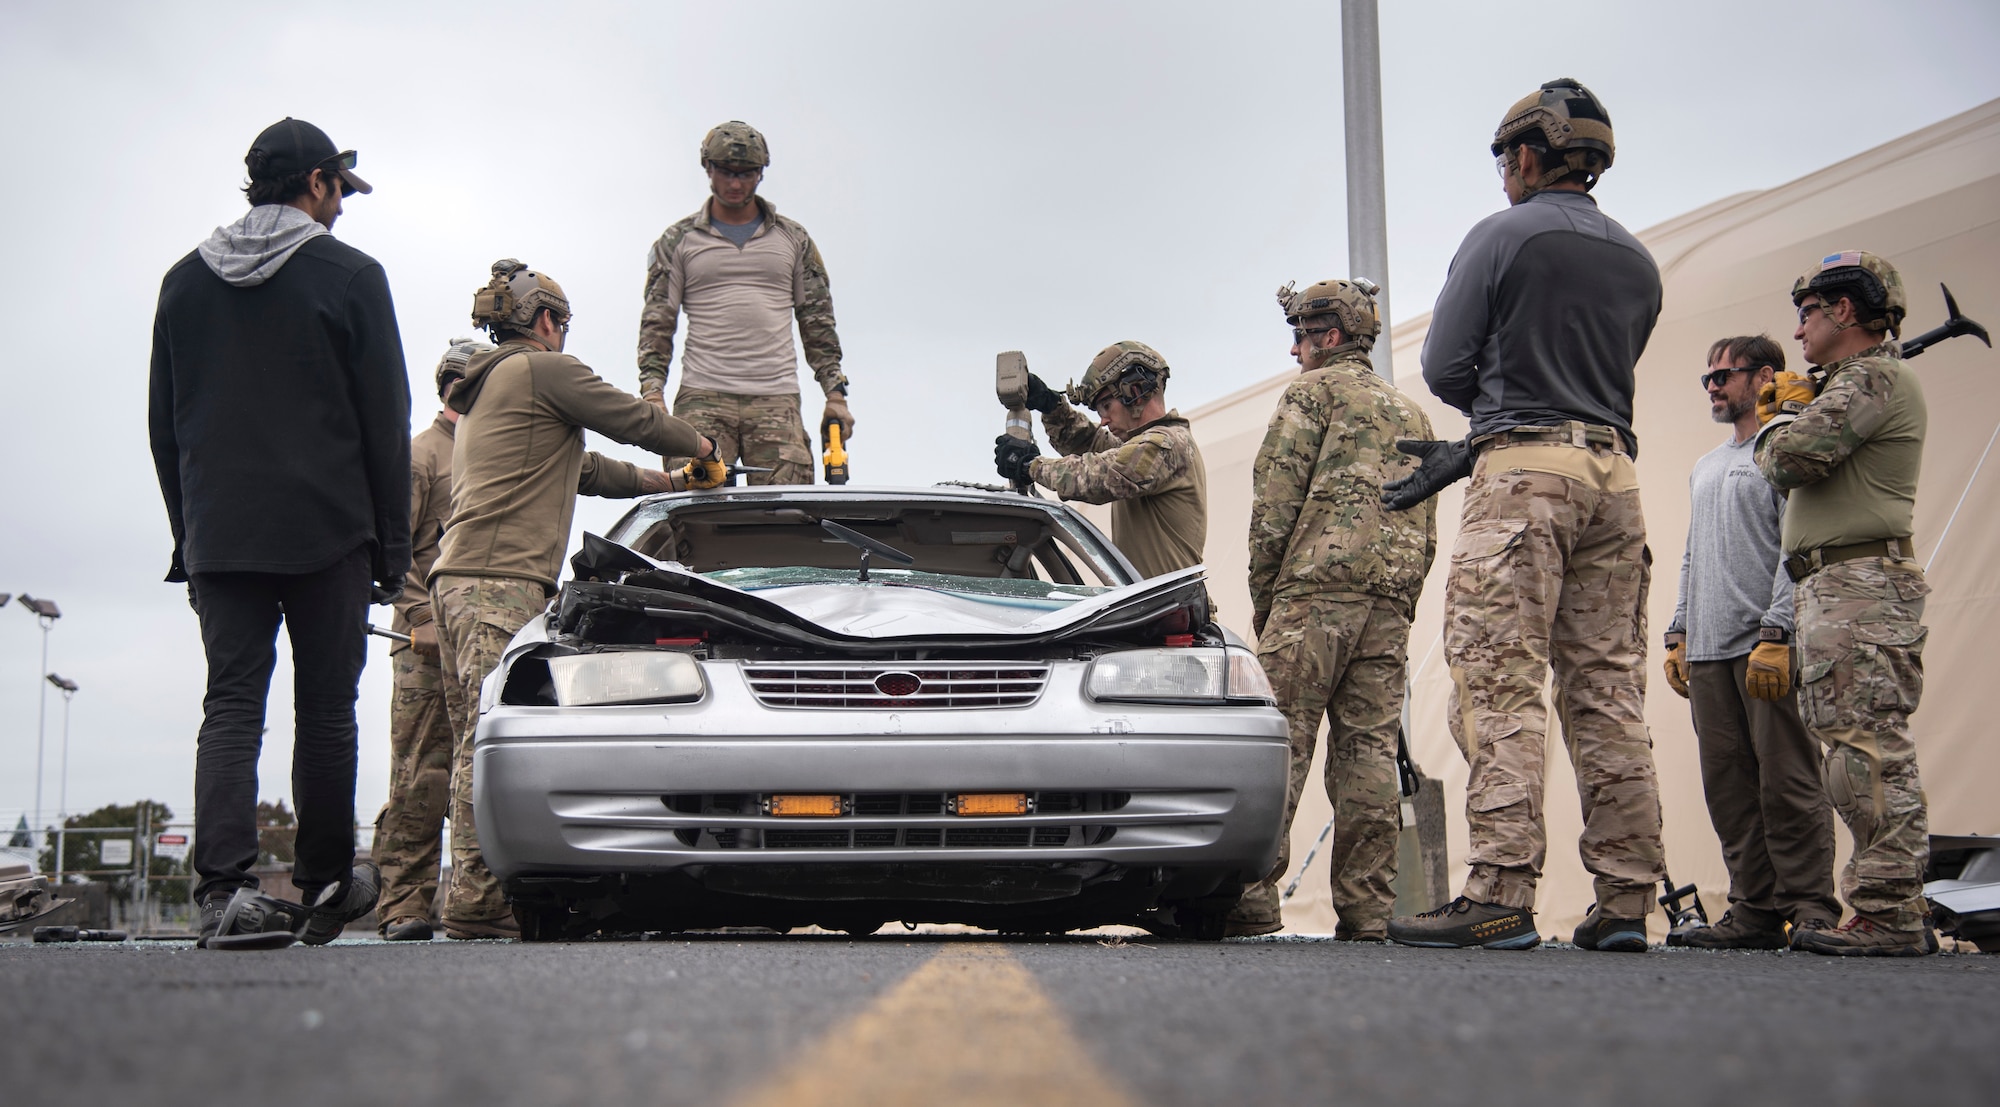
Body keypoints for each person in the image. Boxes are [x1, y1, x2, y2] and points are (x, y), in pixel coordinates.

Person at [1383, 79, 1667, 952]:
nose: (1505, 170)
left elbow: (1444, 364)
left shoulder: (1503, 235)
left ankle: (1502, 890)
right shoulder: (1637, 260)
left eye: (1510, 155)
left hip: (1523, 474)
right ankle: (1625, 900)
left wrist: (1502, 412)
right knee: (1608, 690)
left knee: (1500, 680)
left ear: (1535, 154)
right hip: (1614, 479)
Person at [149, 118, 407, 949]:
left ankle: (221, 890)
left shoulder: (182, 283)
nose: (343, 208)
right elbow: (385, 419)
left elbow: (165, 426)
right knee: (326, 708)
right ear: (320, 183)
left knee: (230, 705)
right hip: (328, 528)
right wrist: (392, 548)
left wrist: (189, 536)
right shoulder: (352, 275)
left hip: (221, 530)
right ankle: (327, 878)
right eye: (340, 191)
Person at [431, 260, 723, 939]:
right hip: (496, 580)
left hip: (459, 578)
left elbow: (588, 468)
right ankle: (479, 905)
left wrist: (669, 481)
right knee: (487, 740)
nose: (562, 334)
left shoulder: (494, 388)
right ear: (543, 321)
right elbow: (630, 417)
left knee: (471, 740)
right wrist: (704, 447)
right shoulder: (542, 371)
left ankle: (472, 895)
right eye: (561, 322)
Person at [1225, 279, 1436, 939]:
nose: (1294, 351)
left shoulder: (1311, 395)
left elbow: (1274, 505)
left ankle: (1252, 899)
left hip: (1315, 592)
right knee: (1369, 749)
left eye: (1300, 336)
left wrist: (1268, 600)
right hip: (1390, 599)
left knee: (1279, 740)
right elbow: (1427, 526)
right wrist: (1401, 595)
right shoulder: (1414, 414)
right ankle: (1369, 908)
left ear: (1330, 336)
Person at [1753, 250, 1934, 956]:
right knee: (1848, 752)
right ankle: (1886, 906)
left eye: (1807, 314)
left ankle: (1889, 912)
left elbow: (1791, 460)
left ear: (1844, 311)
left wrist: (1781, 418)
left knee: (1867, 751)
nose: (1798, 332)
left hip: (1859, 588)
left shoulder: (1874, 376)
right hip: (1833, 588)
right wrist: (1799, 406)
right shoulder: (1853, 381)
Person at [1665, 335, 1839, 950]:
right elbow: (1692, 554)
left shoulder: (1778, 455)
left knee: (1787, 780)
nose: (1713, 387)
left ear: (1765, 375)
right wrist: (1679, 630)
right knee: (1730, 788)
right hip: (1710, 653)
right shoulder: (1706, 465)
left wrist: (1779, 630)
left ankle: (1811, 906)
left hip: (1763, 645)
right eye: (1707, 379)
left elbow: (1799, 543)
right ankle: (1754, 910)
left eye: (1725, 376)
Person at [637, 121, 850, 484]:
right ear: (708, 168)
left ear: (761, 173)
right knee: (693, 509)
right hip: (702, 398)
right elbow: (657, 323)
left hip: (776, 398)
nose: (735, 184)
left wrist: (836, 395)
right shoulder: (678, 241)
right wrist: (653, 393)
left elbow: (817, 323)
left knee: (786, 518)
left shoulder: (792, 239)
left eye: (746, 173)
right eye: (726, 172)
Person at [373, 337, 492, 941]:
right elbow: (389, 550)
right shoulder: (420, 456)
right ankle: (403, 904)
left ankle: (475, 900)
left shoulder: (488, 451)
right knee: (421, 775)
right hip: (423, 641)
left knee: (480, 770)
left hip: (477, 635)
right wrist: (418, 614)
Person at [994, 342, 1208, 579]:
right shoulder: (1146, 446)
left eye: (1106, 406)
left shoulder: (1166, 444)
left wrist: (1030, 465)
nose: (1104, 421)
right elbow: (1092, 442)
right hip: (1157, 608)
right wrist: (1053, 407)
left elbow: (1100, 476)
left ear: (1135, 392)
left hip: (1171, 610)